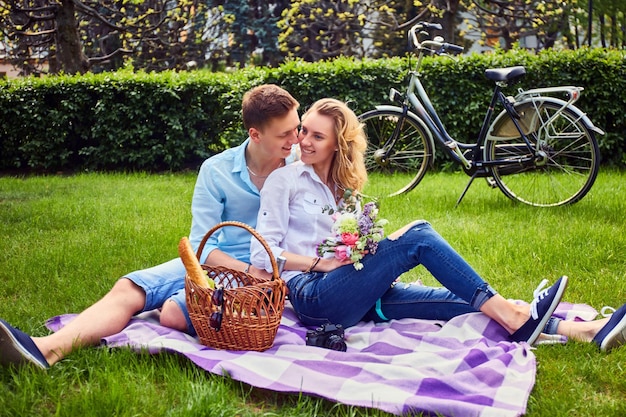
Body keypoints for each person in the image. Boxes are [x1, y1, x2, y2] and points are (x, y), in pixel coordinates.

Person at [250, 98, 626, 351]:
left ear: (337, 145)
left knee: (456, 301)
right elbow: (262, 253)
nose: (304, 141)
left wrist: (369, 258)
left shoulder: (344, 189)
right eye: (304, 132)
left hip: (354, 291)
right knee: (419, 235)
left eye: (317, 136)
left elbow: (345, 247)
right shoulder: (285, 180)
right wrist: (324, 264)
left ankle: (581, 330)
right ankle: (516, 317)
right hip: (314, 297)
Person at [0, 84, 301, 369]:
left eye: (296, 128)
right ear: (255, 134)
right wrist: (241, 269)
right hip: (217, 263)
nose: (296, 139)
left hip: (264, 275)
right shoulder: (217, 170)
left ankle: (174, 305)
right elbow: (202, 245)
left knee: (173, 313)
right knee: (129, 287)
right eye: (285, 134)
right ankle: (45, 349)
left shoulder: (300, 166)